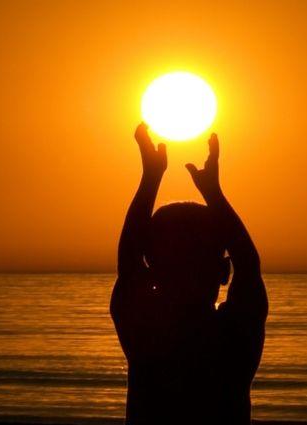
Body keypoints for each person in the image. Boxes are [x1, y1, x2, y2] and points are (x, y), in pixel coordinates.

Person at [110, 123, 268, 425]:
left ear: (152, 270)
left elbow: (129, 268)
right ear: (223, 271)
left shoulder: (148, 335)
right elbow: (248, 267)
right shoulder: (234, 336)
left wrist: (151, 178)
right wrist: (214, 194)